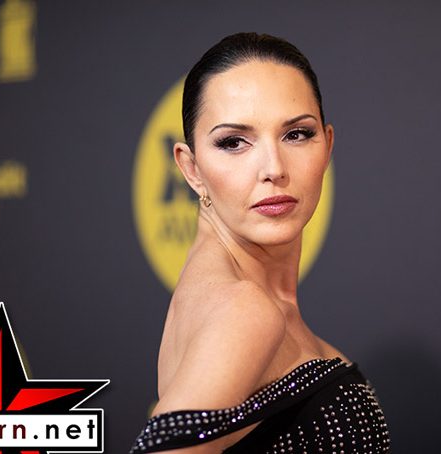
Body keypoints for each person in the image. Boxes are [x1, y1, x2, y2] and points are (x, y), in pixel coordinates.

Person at [130, 32, 391, 453]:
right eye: (233, 142)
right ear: (191, 169)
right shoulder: (243, 310)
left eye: (297, 134)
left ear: (327, 146)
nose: (273, 168)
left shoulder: (227, 300)